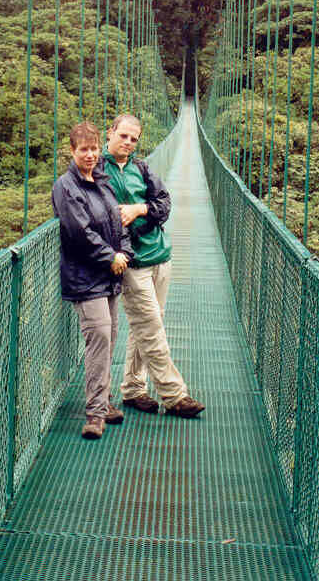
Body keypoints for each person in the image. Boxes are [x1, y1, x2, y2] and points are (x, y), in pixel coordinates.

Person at [99, 113, 205, 418]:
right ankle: (174, 395)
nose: (128, 142)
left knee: (145, 326)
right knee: (151, 328)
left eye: (134, 139)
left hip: (160, 256)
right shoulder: (97, 171)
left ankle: (133, 389)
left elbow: (164, 205)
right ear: (110, 132)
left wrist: (140, 208)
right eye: (123, 135)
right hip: (132, 262)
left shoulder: (142, 169)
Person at [52, 121, 134, 440]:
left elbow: (119, 221)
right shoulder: (66, 187)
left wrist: (124, 252)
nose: (90, 155)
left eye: (94, 149)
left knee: (109, 339)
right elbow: (79, 232)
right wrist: (110, 256)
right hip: (85, 277)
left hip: (109, 275)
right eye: (83, 149)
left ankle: (104, 401)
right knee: (98, 338)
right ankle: (95, 414)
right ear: (72, 151)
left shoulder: (102, 182)